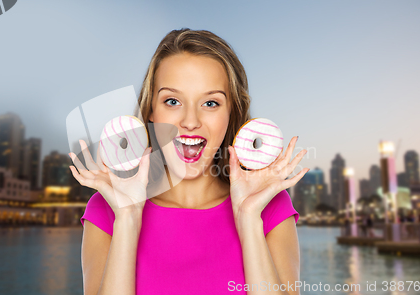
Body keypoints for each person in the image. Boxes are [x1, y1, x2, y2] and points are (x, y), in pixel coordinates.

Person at [69, 28, 309, 295]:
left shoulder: (269, 207)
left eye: (210, 103)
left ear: (233, 113)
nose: (191, 122)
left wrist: (249, 219)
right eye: (172, 101)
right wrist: (127, 216)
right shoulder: (107, 209)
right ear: (150, 110)